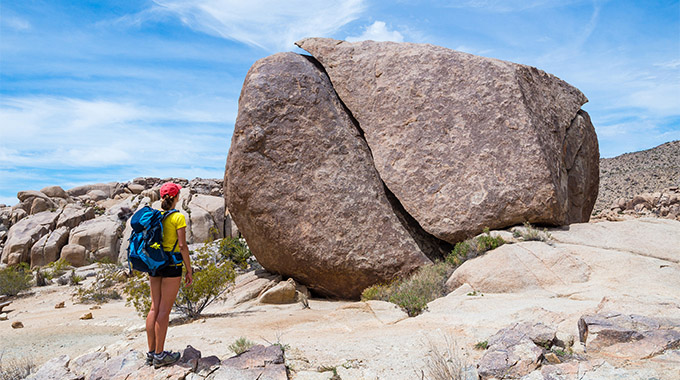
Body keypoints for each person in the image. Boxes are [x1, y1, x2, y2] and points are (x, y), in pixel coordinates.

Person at [145, 182, 193, 368]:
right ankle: (160, 355)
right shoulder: (178, 217)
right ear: (176, 197)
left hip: (155, 264)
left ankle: (151, 353)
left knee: (154, 308)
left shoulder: (155, 217)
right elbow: (182, 246)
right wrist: (189, 270)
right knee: (164, 311)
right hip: (172, 265)